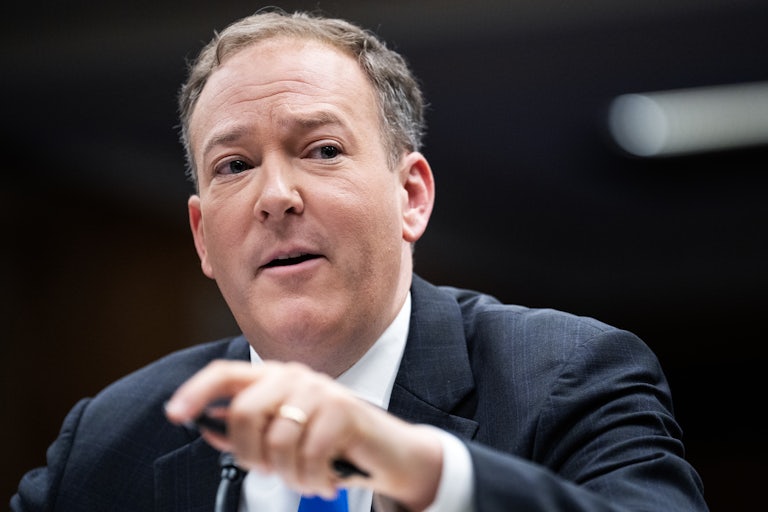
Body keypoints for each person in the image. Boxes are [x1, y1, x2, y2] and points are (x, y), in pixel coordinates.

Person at [11, 8, 709, 512]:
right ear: (201, 237)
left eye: (321, 150)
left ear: (411, 196)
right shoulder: (111, 439)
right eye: (234, 165)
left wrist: (423, 473)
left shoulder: (568, 376)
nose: (275, 196)